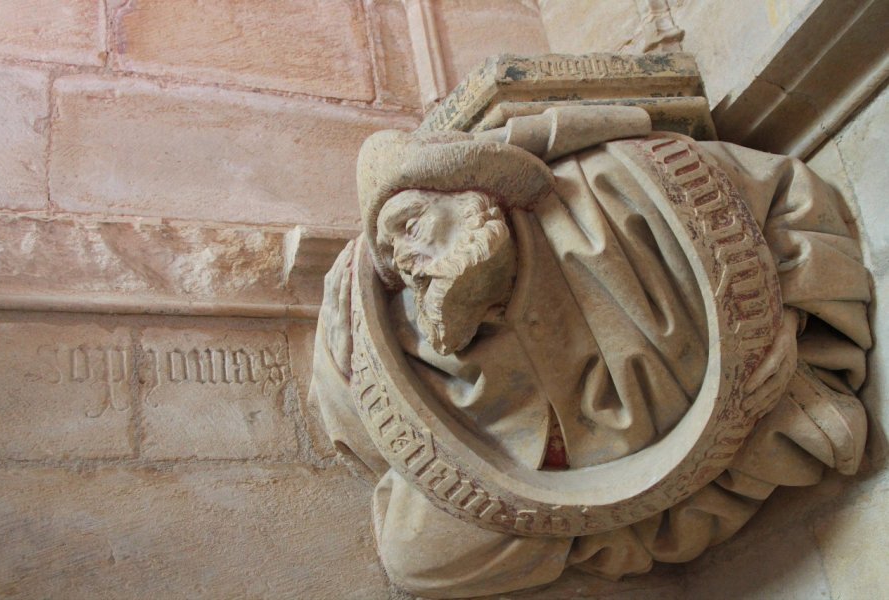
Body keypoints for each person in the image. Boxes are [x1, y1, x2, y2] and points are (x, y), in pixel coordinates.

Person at [310, 106, 871, 598]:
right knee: (417, 557)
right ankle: (622, 520)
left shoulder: (616, 185)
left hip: (725, 403)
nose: (406, 259)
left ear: (468, 191)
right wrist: (346, 356)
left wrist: (785, 321)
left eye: (409, 225)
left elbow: (791, 196)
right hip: (598, 486)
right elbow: (382, 458)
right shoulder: (427, 351)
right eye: (390, 253)